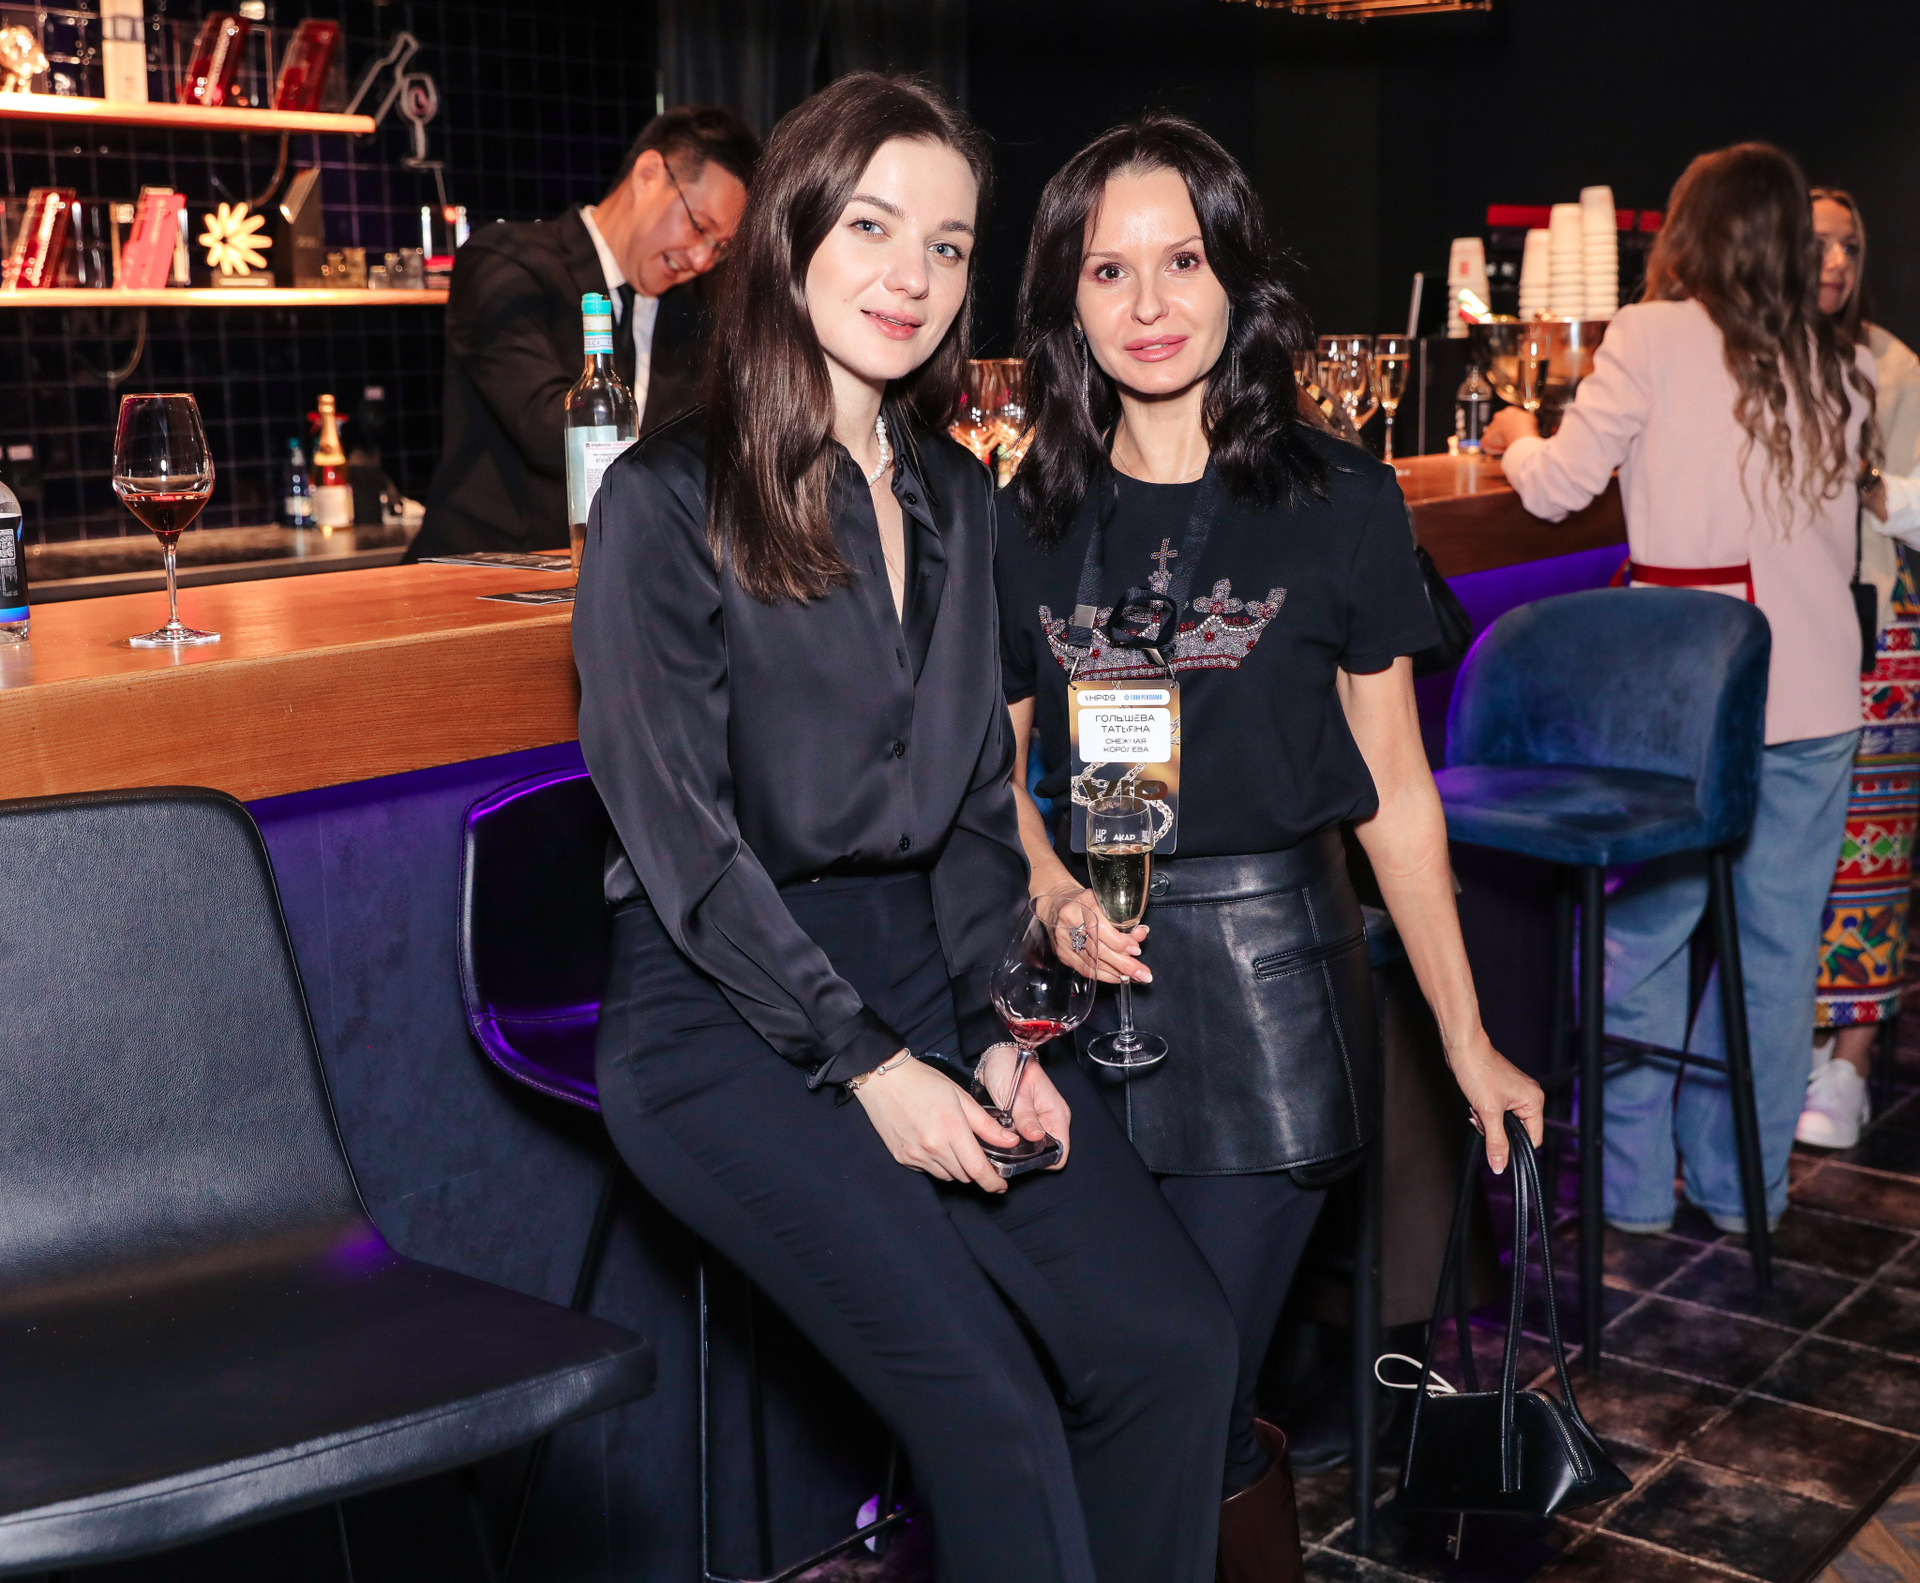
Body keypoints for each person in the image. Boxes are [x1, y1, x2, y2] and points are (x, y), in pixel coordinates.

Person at [572, 74, 1239, 1583]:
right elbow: (682, 843)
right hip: (725, 1018)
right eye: (873, 227)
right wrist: (870, 1062)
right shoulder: (664, 501)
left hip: (928, 988)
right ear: (792, 235)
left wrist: (999, 1035)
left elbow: (974, 810)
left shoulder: (956, 494)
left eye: (946, 245)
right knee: (992, 1410)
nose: (912, 276)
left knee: (1171, 1343)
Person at [995, 113, 1542, 1583]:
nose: (1150, 303)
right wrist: (1047, 880)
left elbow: (1396, 793)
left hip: (1271, 1000)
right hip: (1082, 998)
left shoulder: (1336, 499)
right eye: (1109, 270)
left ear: (1235, 273)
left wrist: (1465, 1034)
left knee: (1180, 1386)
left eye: (1181, 260)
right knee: (1132, 1391)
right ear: (1065, 301)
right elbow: (993, 769)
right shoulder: (1027, 515)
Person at [1481, 144, 1876, 1233]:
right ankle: (1744, 1193)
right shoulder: (1836, 364)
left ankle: (1632, 1192)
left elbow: (1558, 490)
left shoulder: (1651, 333)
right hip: (1815, 699)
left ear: (1690, 229)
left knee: (1639, 943)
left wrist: (1515, 435)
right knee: (1775, 961)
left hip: (1686, 707)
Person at [409, 105, 759, 559]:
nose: (701, 260)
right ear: (649, 174)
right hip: (491, 570)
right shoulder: (507, 263)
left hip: (624, 576)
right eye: (699, 227)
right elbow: (551, 426)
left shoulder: (691, 315)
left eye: (720, 248)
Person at [1798, 188, 1920, 1148]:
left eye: (1849, 244)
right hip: (1780, 631)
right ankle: (1791, 1044)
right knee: (1789, 850)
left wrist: (1868, 476)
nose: (1835, 260)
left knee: (1869, 853)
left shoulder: (1892, 364)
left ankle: (1852, 1064)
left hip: (1876, 628)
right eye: (1816, 243)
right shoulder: (1747, 359)